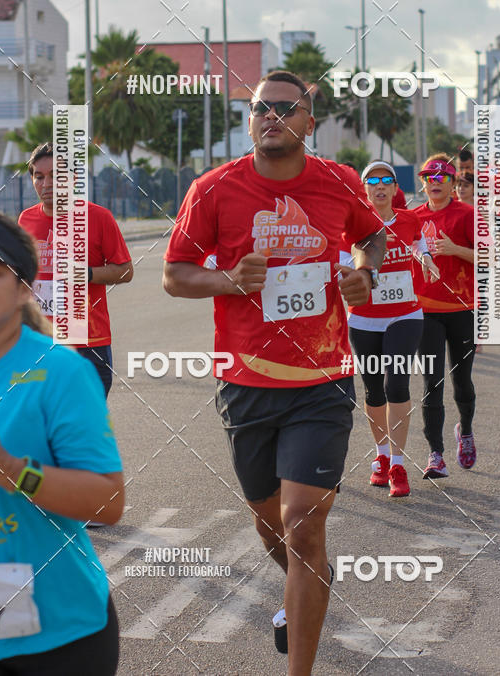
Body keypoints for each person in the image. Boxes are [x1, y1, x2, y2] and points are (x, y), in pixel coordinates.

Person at [163, 71, 385, 673]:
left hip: (322, 380)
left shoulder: (339, 181)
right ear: (249, 120)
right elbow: (174, 274)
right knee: (272, 530)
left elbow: (372, 236)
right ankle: (307, 580)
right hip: (246, 384)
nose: (271, 116)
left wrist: (363, 272)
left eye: (286, 108)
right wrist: (227, 280)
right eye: (261, 107)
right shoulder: (214, 189)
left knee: (303, 526)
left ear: (310, 121)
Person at [0, 209, 124, 675]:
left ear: (24, 288)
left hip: (60, 631)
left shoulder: (60, 371)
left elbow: (107, 503)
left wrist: (12, 472)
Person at [344, 161, 439, 498]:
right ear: (364, 189)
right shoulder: (353, 224)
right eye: (373, 180)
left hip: (405, 314)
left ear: (396, 188)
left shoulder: (410, 219)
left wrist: (425, 258)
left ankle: (398, 465)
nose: (380, 185)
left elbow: (418, 243)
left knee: (396, 383)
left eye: (387, 180)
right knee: (373, 390)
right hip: (364, 317)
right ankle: (382, 457)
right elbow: (341, 259)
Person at [18, 143, 134, 396]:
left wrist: (85, 273)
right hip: (39, 340)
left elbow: (125, 271)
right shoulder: (25, 219)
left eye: (56, 175)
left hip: (88, 343)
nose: (47, 184)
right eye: (39, 176)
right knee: (37, 417)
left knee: (83, 418)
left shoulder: (99, 218)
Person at [412, 154, 476, 478]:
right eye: (429, 177)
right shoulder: (412, 218)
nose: (435, 182)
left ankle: (465, 430)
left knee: (461, 381)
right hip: (425, 312)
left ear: (453, 183)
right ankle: (435, 454)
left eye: (442, 177)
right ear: (422, 183)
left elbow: (490, 257)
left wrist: (455, 250)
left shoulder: (467, 214)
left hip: (463, 309)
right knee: (431, 382)